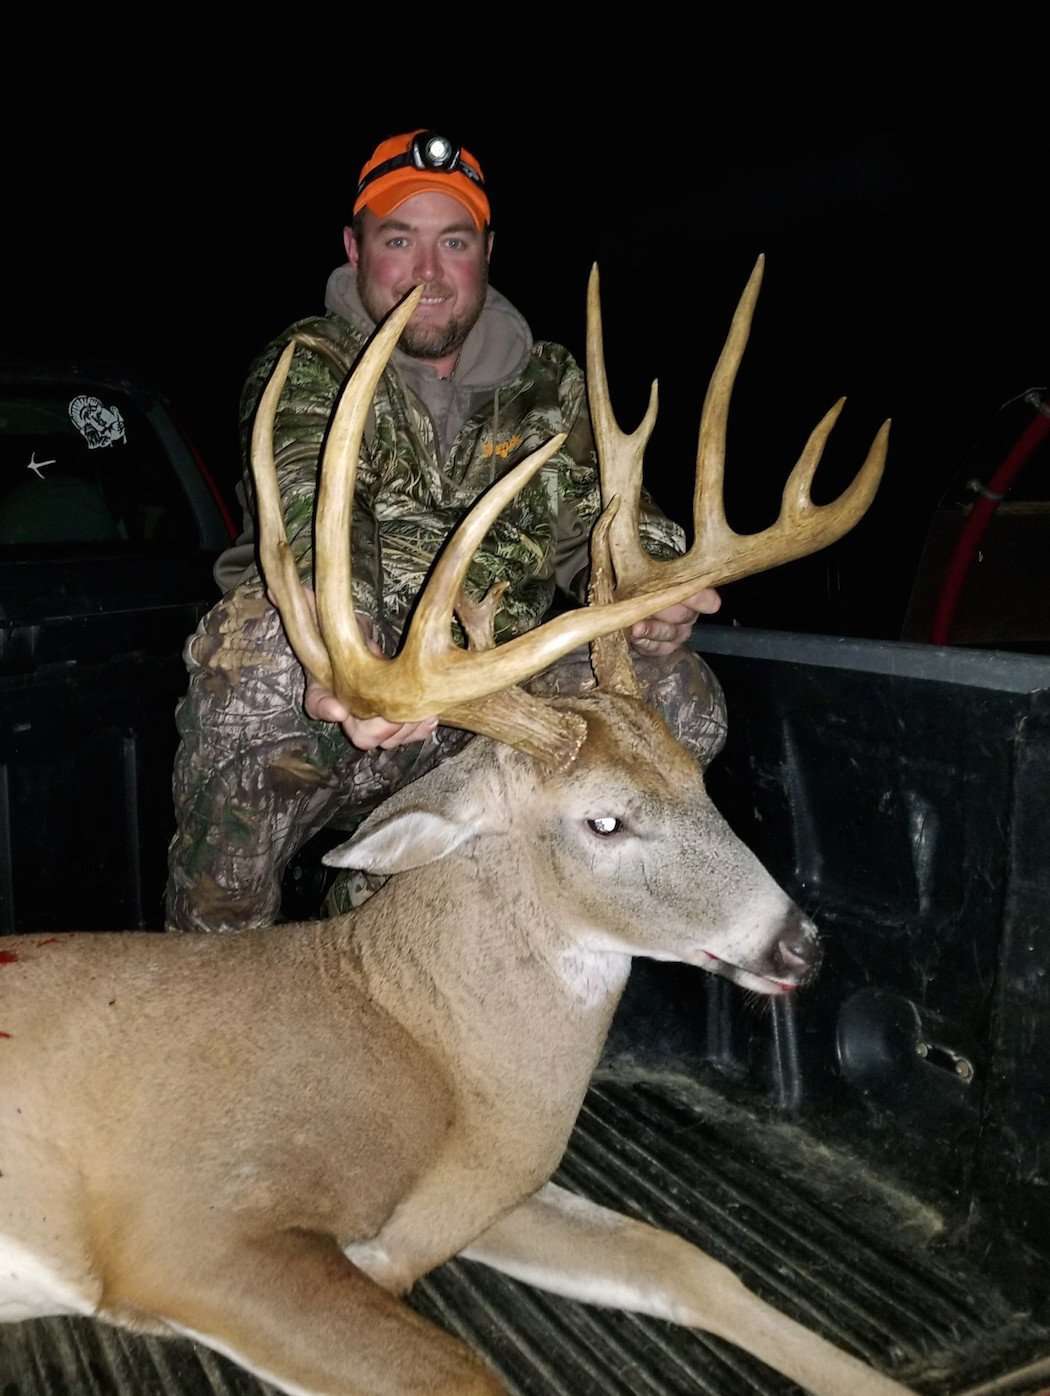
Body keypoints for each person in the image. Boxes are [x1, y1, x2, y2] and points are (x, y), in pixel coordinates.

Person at [165, 129, 726, 934]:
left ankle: (438, 913)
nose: (427, 273)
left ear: (486, 252)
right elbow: (315, 518)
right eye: (401, 240)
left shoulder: (551, 384)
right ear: (356, 249)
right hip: (350, 700)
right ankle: (214, 963)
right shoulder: (309, 366)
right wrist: (345, 650)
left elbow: (618, 517)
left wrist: (656, 588)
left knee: (681, 699)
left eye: (453, 242)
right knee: (257, 654)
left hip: (498, 705)